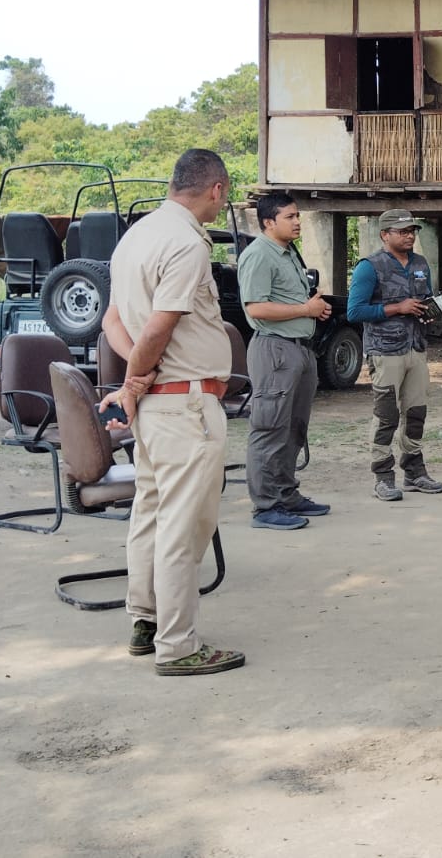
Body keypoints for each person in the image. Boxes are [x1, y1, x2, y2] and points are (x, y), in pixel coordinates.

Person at [99, 148, 243, 676]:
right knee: (185, 526)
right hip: (184, 403)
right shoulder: (186, 243)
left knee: (151, 514)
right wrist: (137, 377)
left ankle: (145, 619)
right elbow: (159, 327)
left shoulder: (136, 236)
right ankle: (178, 644)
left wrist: (134, 380)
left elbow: (113, 321)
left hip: (160, 409)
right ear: (217, 190)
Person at [237, 192, 331, 531]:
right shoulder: (259, 255)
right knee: (269, 427)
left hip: (298, 348)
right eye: (289, 216)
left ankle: (286, 495)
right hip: (274, 350)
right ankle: (265, 507)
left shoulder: (287, 251)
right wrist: (305, 310)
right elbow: (256, 308)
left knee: (294, 427)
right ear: (268, 222)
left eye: (297, 215)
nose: (297, 221)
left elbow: (287, 300)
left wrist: (313, 307)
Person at [347, 208, 442, 501]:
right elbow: (354, 311)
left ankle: (414, 472)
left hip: (416, 348)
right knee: (386, 415)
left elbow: (424, 296)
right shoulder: (370, 267)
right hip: (385, 351)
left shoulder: (420, 263)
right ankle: (383, 476)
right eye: (402, 231)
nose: (409, 236)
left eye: (412, 231)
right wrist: (396, 308)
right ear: (384, 235)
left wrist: (428, 312)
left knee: (416, 413)